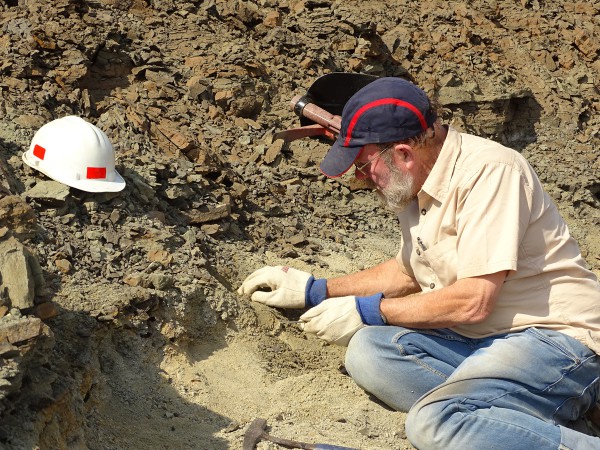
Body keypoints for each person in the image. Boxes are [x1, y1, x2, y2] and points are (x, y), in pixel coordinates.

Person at [237, 77, 600, 449]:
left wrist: (369, 310)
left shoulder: (490, 172)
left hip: (554, 341)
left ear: (403, 154)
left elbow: (474, 300)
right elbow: (408, 272)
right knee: (369, 352)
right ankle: (524, 426)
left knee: (434, 423)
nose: (361, 180)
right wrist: (315, 289)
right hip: (479, 341)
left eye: (364, 167)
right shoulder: (416, 184)